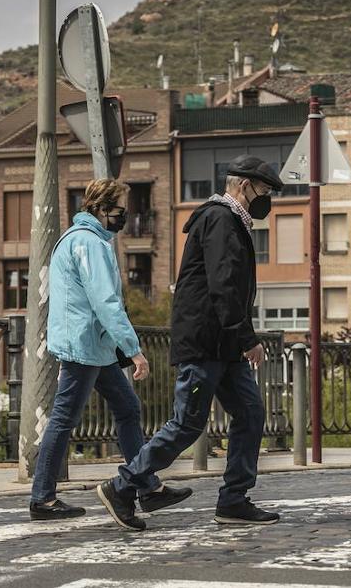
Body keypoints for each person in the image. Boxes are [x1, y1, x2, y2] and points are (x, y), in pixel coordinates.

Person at [96, 155, 283, 532]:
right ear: (244, 186)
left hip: (223, 346)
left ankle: (233, 500)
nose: (266, 199)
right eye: (264, 190)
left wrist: (237, 338)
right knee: (187, 424)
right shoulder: (220, 219)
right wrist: (247, 338)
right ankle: (123, 486)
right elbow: (223, 285)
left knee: (249, 414)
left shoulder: (231, 221)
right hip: (205, 343)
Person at [28, 178, 191, 520]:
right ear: (101, 209)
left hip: (91, 345)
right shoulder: (89, 244)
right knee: (64, 418)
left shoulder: (79, 240)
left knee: (128, 407)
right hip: (83, 346)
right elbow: (106, 302)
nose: (124, 217)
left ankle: (147, 487)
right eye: (119, 210)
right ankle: (42, 498)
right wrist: (134, 349)